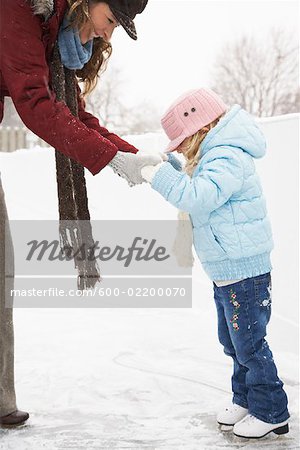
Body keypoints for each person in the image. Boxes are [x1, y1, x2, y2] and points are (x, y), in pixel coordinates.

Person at [0, 0, 161, 427]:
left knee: (2, 266)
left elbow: (72, 114)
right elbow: (34, 102)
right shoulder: (21, 6)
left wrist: (134, 156)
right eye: (111, 21)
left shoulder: (53, 32)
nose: (109, 35)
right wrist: (110, 159)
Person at [140, 88, 290, 439]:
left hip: (243, 271)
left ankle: (272, 410)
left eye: (179, 142)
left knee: (250, 343)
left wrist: (159, 177)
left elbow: (199, 196)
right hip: (226, 270)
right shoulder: (214, 157)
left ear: (199, 129)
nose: (177, 148)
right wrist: (169, 167)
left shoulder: (227, 156)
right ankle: (246, 398)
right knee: (234, 342)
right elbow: (198, 184)